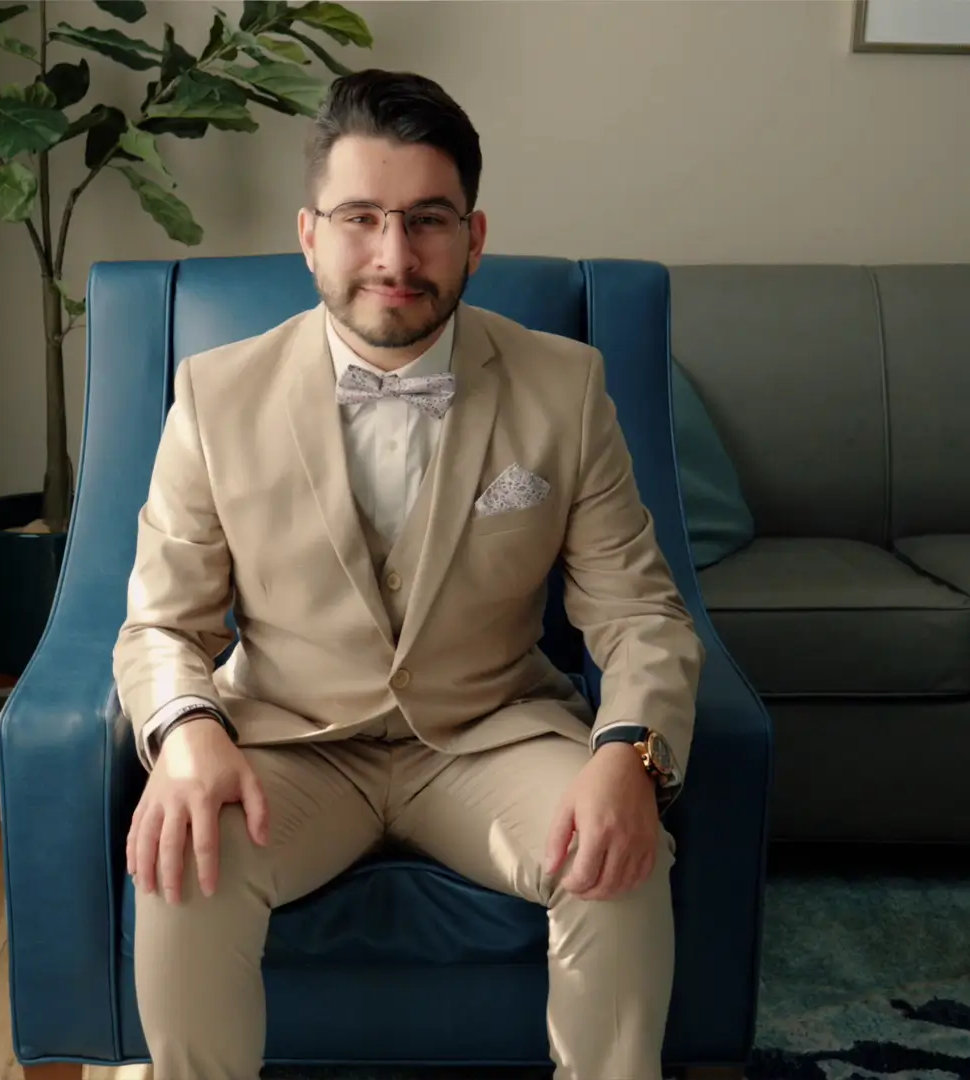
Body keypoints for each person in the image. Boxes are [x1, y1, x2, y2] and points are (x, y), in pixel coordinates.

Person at [112, 68, 706, 1080]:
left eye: (428, 219)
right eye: (361, 218)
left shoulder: (566, 388)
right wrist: (186, 730)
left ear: (474, 239)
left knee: (616, 858)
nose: (395, 255)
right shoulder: (214, 396)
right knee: (184, 860)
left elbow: (640, 611)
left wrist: (629, 755)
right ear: (310, 235)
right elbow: (160, 626)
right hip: (292, 746)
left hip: (488, 736)